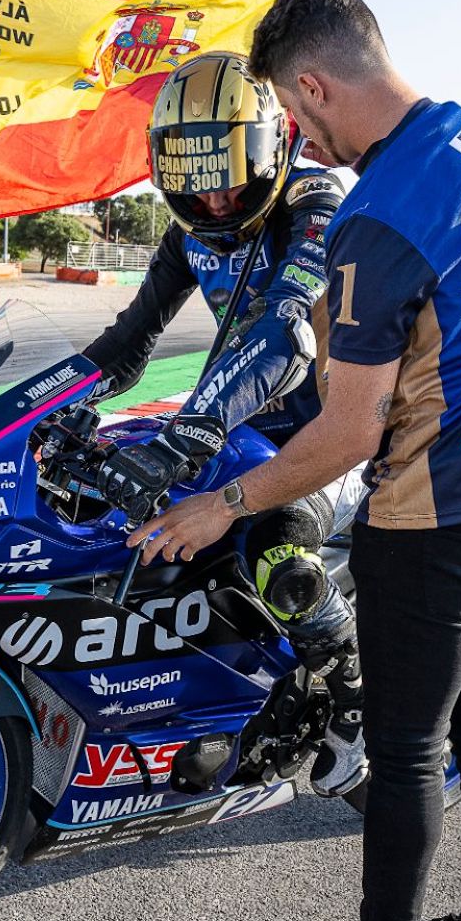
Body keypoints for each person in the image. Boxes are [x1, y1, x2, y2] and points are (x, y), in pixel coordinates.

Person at [130, 0, 461, 921]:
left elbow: (344, 435)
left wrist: (215, 505)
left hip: (438, 512)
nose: (292, 131)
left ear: (318, 83)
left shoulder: (370, 226)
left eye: (290, 106)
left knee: (408, 746)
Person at [82, 51, 368, 798]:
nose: (210, 198)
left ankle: (355, 696)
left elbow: (286, 338)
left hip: (323, 435)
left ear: (271, 146)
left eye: (227, 171)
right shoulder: (188, 235)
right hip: (228, 426)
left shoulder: (315, 206)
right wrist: (33, 410)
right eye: (190, 174)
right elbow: (125, 343)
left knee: (276, 553)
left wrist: (188, 435)